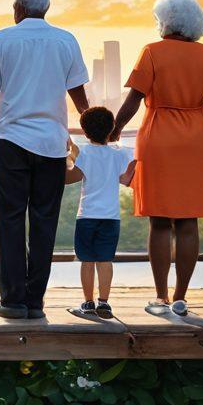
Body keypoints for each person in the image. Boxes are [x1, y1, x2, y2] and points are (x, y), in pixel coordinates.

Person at [0, 0, 90, 320]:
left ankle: (12, 300)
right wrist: (92, 125)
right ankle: (35, 301)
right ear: (45, 9)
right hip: (52, 144)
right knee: (44, 221)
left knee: (10, 220)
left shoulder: (1, 40)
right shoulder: (66, 40)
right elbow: (78, 94)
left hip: (10, 142)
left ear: (17, 8)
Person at [110, 0, 203, 317]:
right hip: (197, 139)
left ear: (165, 21)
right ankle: (181, 297)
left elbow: (134, 98)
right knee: (188, 222)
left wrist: (116, 127)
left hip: (159, 135)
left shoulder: (151, 52)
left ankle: (160, 297)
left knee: (160, 222)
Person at [65, 107, 135, 320]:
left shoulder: (82, 152)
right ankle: (104, 303)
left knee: (87, 260)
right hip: (111, 217)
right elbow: (127, 176)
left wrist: (69, 153)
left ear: (85, 132)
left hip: (86, 215)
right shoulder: (120, 154)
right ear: (112, 128)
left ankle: (88, 302)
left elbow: (69, 173)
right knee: (105, 260)